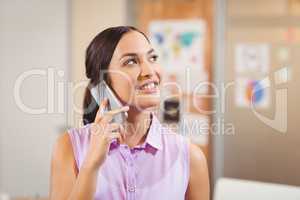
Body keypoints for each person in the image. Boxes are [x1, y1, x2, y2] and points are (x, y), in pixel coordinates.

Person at [50, 26, 209, 200]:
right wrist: (91, 165)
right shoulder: (70, 147)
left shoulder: (189, 156)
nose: (150, 71)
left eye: (152, 58)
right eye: (131, 62)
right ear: (102, 84)